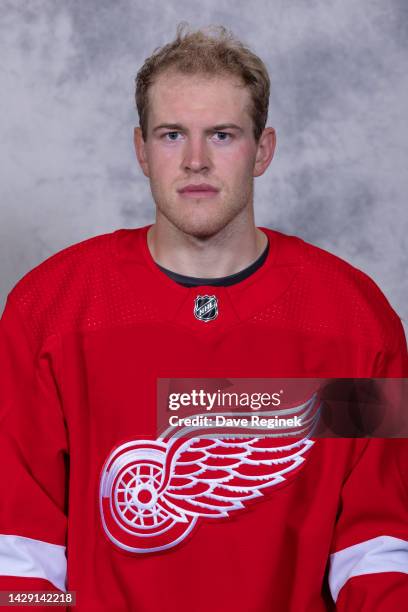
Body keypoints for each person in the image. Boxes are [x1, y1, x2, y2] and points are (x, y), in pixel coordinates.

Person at [0, 23, 407, 611]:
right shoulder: (49, 311)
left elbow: (377, 546)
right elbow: (20, 553)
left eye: (221, 134)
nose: (195, 160)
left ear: (262, 149)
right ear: (141, 149)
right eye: (172, 135)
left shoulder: (356, 321)